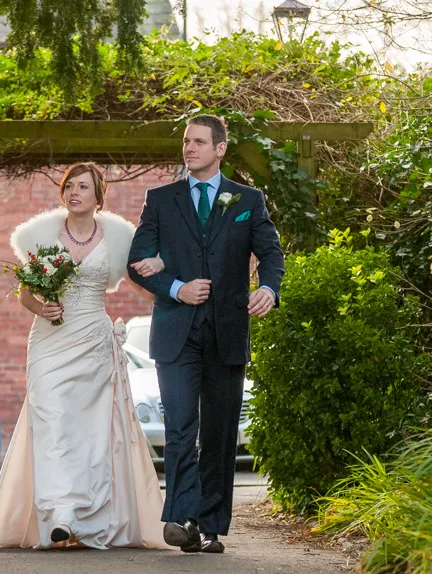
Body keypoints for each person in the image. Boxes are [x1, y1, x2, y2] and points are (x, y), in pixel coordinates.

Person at [0, 162, 167, 551]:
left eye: (83, 186)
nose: (74, 192)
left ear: (98, 196)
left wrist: (162, 268)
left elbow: (144, 283)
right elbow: (27, 292)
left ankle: (86, 514)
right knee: (52, 419)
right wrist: (40, 308)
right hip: (50, 342)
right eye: (69, 186)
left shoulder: (117, 239)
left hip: (93, 342)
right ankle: (60, 513)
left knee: (90, 430)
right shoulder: (42, 236)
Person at [127, 114, 285, 554]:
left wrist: (268, 288)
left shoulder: (247, 199)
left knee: (219, 432)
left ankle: (211, 526)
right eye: (185, 141)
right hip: (176, 333)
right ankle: (179, 516)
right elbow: (138, 258)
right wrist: (177, 287)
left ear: (220, 149)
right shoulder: (160, 199)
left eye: (198, 142)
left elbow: (271, 253)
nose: (189, 148)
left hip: (228, 331)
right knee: (179, 427)